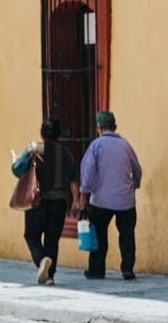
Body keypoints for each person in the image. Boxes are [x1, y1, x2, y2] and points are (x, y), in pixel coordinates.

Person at [78, 110, 142, 280]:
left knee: (100, 235)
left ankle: (97, 270)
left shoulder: (96, 146)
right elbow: (137, 169)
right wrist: (134, 185)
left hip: (100, 200)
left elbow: (88, 172)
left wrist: (84, 194)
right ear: (114, 127)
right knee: (127, 235)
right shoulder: (125, 145)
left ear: (98, 127)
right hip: (125, 200)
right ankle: (127, 269)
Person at [16, 119, 79, 285]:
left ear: (42, 133)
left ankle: (42, 259)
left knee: (31, 235)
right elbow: (73, 180)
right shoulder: (66, 154)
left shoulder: (34, 149)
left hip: (37, 201)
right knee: (52, 239)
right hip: (59, 203)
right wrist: (76, 200)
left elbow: (17, 169)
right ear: (59, 134)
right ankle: (49, 276)